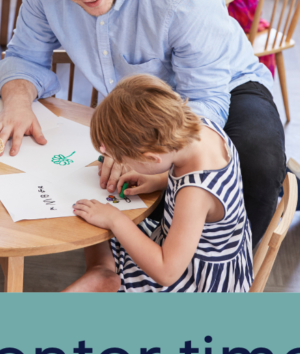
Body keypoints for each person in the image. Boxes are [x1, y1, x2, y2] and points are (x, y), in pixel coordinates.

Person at [0, 0, 300, 247]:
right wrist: (17, 102)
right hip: (144, 108)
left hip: (228, 88)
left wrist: (155, 158)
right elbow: (24, 58)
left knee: (255, 167)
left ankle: (276, 183)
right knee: (159, 182)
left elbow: (205, 98)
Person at [64, 75, 253, 293]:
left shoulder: (195, 193)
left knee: (111, 222)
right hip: (199, 249)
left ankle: (106, 273)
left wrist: (115, 219)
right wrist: (159, 179)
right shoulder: (201, 129)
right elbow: (205, 189)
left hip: (194, 279)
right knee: (97, 222)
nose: (123, 165)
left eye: (125, 161)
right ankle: (104, 270)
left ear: (153, 158)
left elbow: (167, 273)